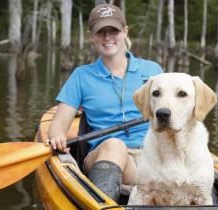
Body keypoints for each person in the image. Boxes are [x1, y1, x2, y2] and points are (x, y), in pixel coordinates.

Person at [45, 3, 163, 202]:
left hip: (150, 158)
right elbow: (58, 126)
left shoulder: (152, 70)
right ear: (92, 37)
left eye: (113, 30)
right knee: (114, 145)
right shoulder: (81, 76)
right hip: (105, 155)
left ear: (125, 32)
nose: (107, 37)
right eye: (101, 32)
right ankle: (101, 204)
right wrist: (57, 138)